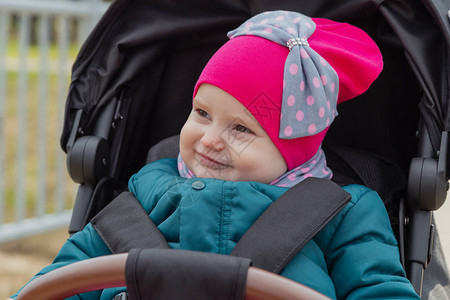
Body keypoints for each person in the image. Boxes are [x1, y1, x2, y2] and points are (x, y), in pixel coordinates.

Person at [11, 10, 420, 299]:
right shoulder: (148, 189)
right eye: (202, 114)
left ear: (295, 146)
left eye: (241, 129)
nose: (209, 140)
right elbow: (69, 274)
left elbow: (378, 288)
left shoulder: (344, 212)